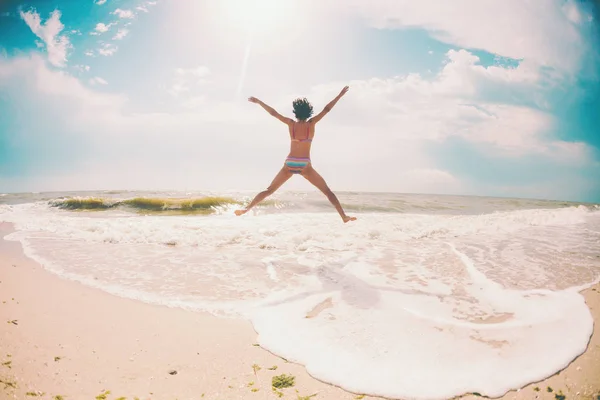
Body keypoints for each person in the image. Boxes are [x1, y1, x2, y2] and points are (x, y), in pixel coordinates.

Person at [235, 86, 357, 223]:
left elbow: (273, 113)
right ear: (308, 112)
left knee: (269, 190)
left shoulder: (290, 124)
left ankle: (247, 208)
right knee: (327, 192)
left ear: (295, 112)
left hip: (290, 162)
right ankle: (343, 217)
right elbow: (326, 109)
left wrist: (259, 102)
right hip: (304, 164)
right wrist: (340, 95)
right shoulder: (311, 124)